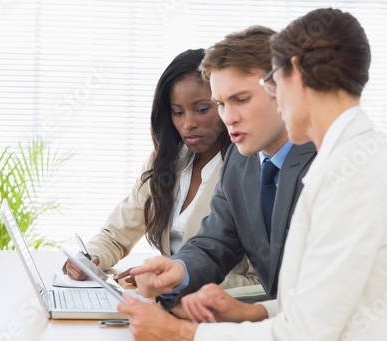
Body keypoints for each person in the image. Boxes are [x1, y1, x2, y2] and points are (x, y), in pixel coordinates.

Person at [118, 8, 387, 341]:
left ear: (296, 75)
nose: (277, 95)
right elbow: (319, 303)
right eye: (221, 103)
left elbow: (305, 332)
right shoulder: (343, 157)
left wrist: (180, 333)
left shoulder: (349, 174)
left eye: (275, 82)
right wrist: (253, 312)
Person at [121, 25, 316, 309]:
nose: (229, 118)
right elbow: (214, 244)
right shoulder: (240, 162)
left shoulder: (329, 162)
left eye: (241, 100)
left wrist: (249, 315)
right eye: (221, 104)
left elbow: (327, 294)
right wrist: (178, 271)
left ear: (285, 88)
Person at [64, 48, 260, 289]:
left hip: (220, 309)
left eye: (201, 109)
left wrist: (168, 279)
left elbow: (257, 280)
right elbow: (117, 233)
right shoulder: (166, 162)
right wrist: (91, 258)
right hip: (167, 301)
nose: (188, 123)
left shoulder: (249, 169)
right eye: (178, 112)